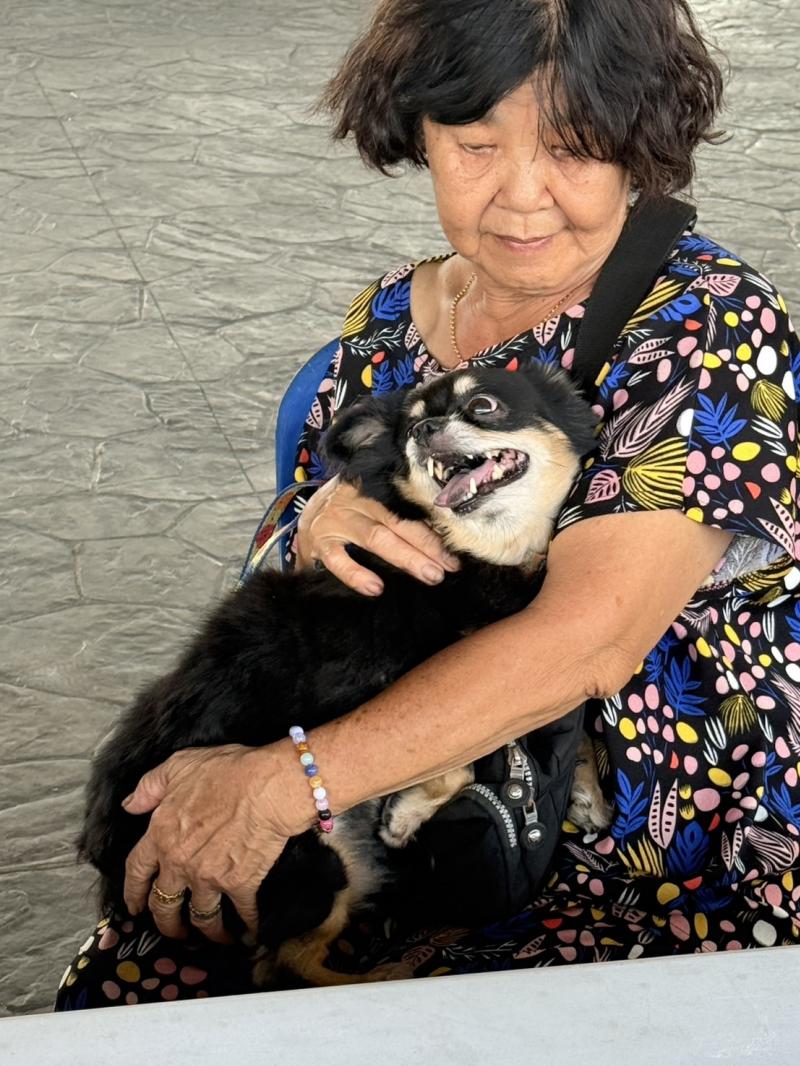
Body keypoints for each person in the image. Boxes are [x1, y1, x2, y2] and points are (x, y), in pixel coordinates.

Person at [56, 0, 800, 1010]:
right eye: (476, 146)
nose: (522, 198)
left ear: (640, 145)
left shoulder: (705, 324)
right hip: (374, 804)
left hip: (636, 857)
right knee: (127, 995)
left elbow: (587, 642)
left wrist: (281, 786)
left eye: (574, 149)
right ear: (419, 132)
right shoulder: (388, 317)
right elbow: (294, 586)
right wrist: (311, 522)